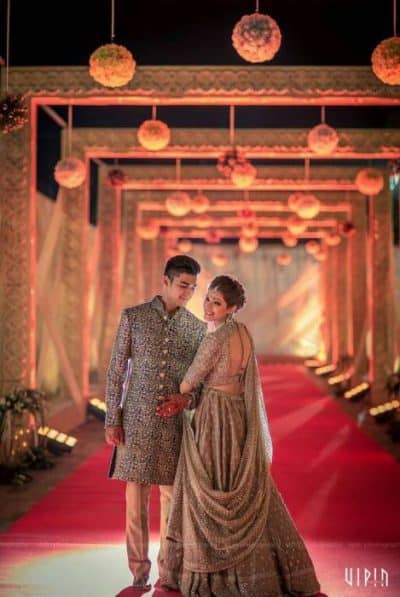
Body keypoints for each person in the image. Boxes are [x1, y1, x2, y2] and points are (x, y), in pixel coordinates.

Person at [157, 275, 324, 597]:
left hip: (215, 419)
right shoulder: (243, 333)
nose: (207, 307)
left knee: (210, 486)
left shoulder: (214, 339)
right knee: (243, 488)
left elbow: (188, 384)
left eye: (216, 302)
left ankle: (217, 574)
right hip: (238, 417)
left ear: (231, 308)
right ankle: (266, 570)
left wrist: (178, 384)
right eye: (207, 299)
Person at [104, 255, 207, 589]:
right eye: (182, 286)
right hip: (135, 421)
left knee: (170, 500)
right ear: (165, 281)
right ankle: (138, 571)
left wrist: (185, 401)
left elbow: (201, 383)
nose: (188, 293)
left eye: (192, 287)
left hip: (174, 425)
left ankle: (168, 571)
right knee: (135, 502)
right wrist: (111, 419)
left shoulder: (196, 328)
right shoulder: (134, 317)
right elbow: (116, 370)